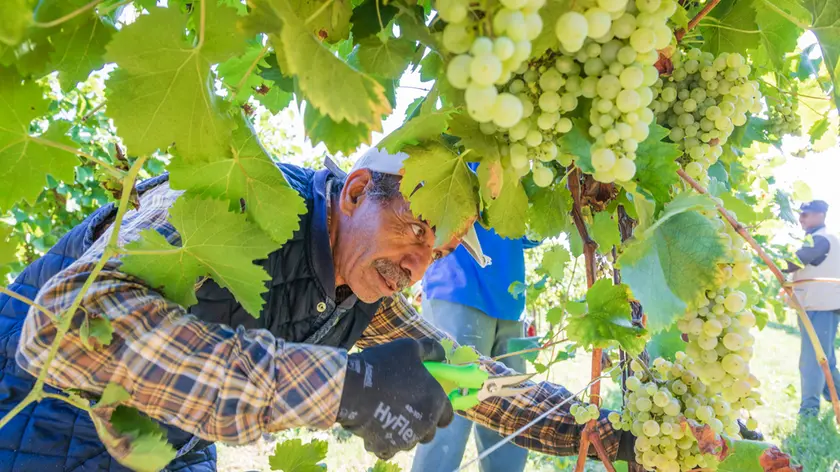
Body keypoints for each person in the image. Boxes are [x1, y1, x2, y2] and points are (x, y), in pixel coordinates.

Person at [0, 146, 635, 471]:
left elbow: (469, 380)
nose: (419, 265)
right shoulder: (237, 197)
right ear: (357, 191)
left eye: (437, 253)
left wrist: (596, 429)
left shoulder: (358, 287)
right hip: (23, 430)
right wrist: (346, 387)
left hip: (152, 450)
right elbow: (64, 326)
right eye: (417, 230)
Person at [411, 226, 538, 472]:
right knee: (448, 416)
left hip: (509, 297)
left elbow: (528, 235)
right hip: (457, 284)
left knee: (510, 417)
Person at [784, 200, 840, 417]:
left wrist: (766, 259)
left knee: (813, 359)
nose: (801, 219)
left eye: (805, 214)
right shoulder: (824, 239)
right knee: (825, 358)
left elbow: (793, 262)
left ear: (820, 214)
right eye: (801, 214)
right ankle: (836, 396)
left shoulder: (821, 240)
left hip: (820, 306)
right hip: (821, 305)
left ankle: (809, 409)